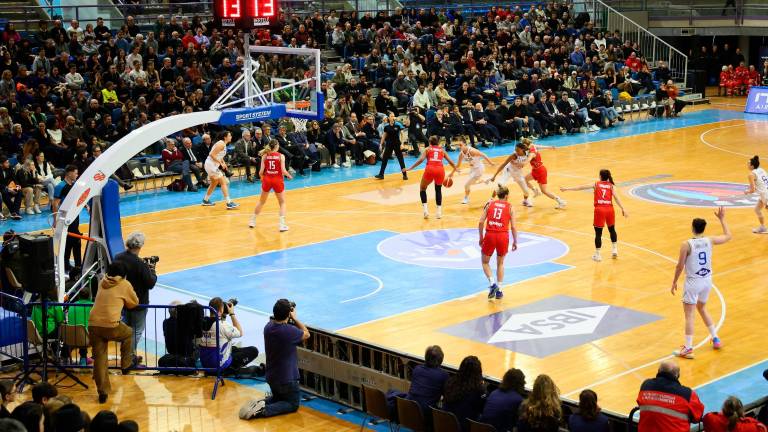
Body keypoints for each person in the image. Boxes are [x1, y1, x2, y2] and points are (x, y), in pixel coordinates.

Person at [671, 207, 730, 359]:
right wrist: (722, 219)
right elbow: (728, 236)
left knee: (689, 315)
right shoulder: (709, 240)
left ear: (692, 228)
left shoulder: (687, 244)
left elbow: (680, 265)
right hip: (707, 281)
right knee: (702, 308)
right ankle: (715, 338)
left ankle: (688, 348)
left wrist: (674, 281)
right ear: (704, 228)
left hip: (693, 282)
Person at [240, 299, 310, 419]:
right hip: (286, 379)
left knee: (279, 398)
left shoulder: (268, 327)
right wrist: (295, 319)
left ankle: (261, 403)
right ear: (289, 314)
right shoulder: (289, 331)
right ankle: (263, 409)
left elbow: (280, 324)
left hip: (272, 377)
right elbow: (307, 334)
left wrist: (287, 316)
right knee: (292, 404)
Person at [88, 261, 139, 404]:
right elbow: (134, 302)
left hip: (93, 324)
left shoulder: (102, 281)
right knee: (128, 333)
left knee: (99, 358)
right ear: (123, 274)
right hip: (110, 325)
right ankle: (126, 365)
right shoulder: (124, 284)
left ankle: (102, 392)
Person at [560, 169, 628, 261]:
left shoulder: (596, 184)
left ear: (600, 176)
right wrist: (623, 208)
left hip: (600, 210)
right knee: (612, 230)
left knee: (598, 234)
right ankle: (615, 250)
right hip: (610, 209)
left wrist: (567, 189)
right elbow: (616, 198)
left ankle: (598, 255)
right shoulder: (611, 186)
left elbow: (581, 187)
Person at [114, 232, 157, 363]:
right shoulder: (140, 264)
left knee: (126, 330)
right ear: (140, 245)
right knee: (136, 331)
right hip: (139, 302)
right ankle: (129, 357)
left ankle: (126, 355)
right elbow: (150, 283)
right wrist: (153, 271)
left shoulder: (118, 257)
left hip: (122, 300)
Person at [197, 297, 260, 377]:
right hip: (219, 366)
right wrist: (232, 314)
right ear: (221, 310)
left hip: (205, 363)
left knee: (233, 348)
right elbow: (240, 332)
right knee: (253, 350)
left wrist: (223, 313)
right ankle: (232, 370)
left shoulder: (203, 322)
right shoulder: (222, 326)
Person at [637, 360, 704, 431]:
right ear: (677, 375)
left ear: (659, 371)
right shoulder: (687, 394)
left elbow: (640, 403)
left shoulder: (646, 386)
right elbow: (698, 417)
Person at [403, 135, 457, 219]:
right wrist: (455, 169)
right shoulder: (442, 150)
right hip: (440, 170)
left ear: (429, 142)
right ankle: (439, 212)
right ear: (438, 142)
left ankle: (425, 211)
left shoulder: (427, 149)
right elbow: (451, 162)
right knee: (438, 189)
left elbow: (421, 160)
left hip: (430, 169)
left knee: (422, 188)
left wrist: (410, 168)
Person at [479, 185, 518, 300]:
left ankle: (492, 284)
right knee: (500, 263)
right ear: (506, 196)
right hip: (502, 236)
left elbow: (481, 222)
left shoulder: (489, 204)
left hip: (490, 235)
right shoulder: (510, 207)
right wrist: (515, 241)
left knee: (485, 262)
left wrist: (481, 237)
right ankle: (499, 290)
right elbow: (514, 227)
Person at [249, 140, 293, 232]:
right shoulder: (281, 156)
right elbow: (283, 170)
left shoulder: (265, 156)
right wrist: (289, 175)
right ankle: (282, 225)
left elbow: (260, 172)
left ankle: (252, 221)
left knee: (261, 202)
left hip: (267, 179)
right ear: (276, 146)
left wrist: (262, 178)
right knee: (282, 203)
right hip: (277, 180)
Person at [52, 165, 83, 276]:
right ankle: (66, 265)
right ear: (69, 173)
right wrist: (55, 219)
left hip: (75, 216)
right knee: (70, 242)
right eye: (75, 173)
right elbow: (55, 203)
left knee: (75, 241)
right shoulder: (60, 186)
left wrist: (86, 206)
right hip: (65, 218)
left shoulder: (74, 185)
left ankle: (78, 265)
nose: (77, 175)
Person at [443, 356, 486, 431]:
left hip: (443, 424)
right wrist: (483, 388)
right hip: (463, 427)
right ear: (478, 373)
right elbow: (483, 409)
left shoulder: (450, 381)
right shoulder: (478, 390)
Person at [406, 345, 449, 414]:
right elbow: (446, 396)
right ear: (440, 360)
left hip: (407, 408)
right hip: (425, 414)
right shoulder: (443, 375)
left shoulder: (417, 369)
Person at [201, 130, 239, 209]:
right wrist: (220, 163)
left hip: (211, 165)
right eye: (229, 136)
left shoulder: (223, 144)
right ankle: (229, 202)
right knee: (223, 182)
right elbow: (212, 154)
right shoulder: (221, 144)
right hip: (211, 165)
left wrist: (223, 162)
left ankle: (205, 200)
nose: (231, 137)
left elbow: (219, 155)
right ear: (225, 137)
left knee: (214, 183)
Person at [455, 139, 494, 205]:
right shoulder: (461, 154)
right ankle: (485, 180)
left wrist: (490, 163)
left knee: (466, 185)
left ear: (465, 144)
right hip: (472, 170)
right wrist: (456, 170)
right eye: (458, 145)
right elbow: (458, 165)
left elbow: (483, 155)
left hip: (479, 169)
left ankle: (466, 198)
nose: (459, 146)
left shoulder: (472, 151)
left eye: (460, 145)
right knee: (471, 183)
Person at [374, 112, 407, 180]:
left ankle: (405, 175)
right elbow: (384, 135)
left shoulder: (398, 124)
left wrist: (402, 143)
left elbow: (402, 134)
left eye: (393, 116)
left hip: (397, 144)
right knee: (384, 159)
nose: (393, 117)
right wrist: (381, 144)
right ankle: (381, 174)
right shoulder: (386, 126)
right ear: (389, 118)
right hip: (389, 144)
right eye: (391, 116)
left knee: (401, 160)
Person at [745, 155, 768, 233]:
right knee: (757, 209)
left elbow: (752, 190)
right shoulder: (761, 169)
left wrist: (747, 191)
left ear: (752, 166)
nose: (747, 164)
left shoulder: (751, 175)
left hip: (766, 195)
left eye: (748, 163)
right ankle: (762, 227)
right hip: (764, 193)